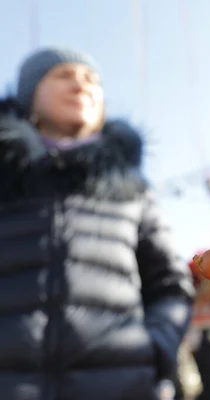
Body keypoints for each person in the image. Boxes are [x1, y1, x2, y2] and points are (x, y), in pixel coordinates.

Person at [0, 48, 195, 399]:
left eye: (91, 79)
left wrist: (153, 352)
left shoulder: (133, 192)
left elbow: (170, 285)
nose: (80, 85)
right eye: (63, 75)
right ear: (29, 96)